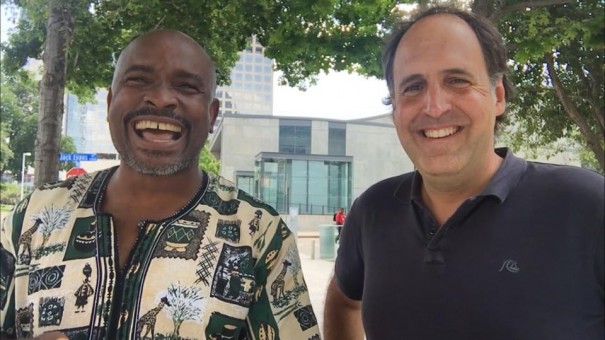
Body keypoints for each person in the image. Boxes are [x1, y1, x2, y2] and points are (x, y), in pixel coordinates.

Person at [0, 29, 320, 339]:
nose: (162, 98)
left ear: (212, 115)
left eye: (186, 86)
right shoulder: (32, 217)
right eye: (138, 79)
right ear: (110, 102)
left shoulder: (259, 234)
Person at [324, 6, 604, 340]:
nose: (435, 106)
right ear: (394, 110)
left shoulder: (586, 205)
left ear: (497, 96)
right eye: (413, 87)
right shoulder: (372, 210)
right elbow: (344, 302)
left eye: (457, 81)